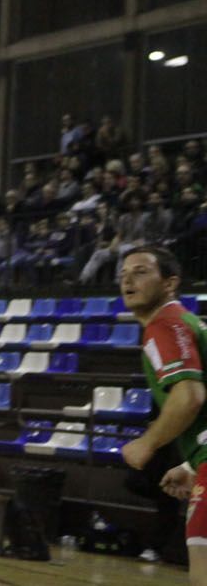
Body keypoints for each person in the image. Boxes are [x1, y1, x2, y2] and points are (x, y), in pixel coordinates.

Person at [117, 246, 207, 585]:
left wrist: (148, 442)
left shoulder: (164, 325)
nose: (127, 279)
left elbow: (190, 396)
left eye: (140, 271)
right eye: (123, 273)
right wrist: (189, 465)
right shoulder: (187, 323)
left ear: (170, 283)